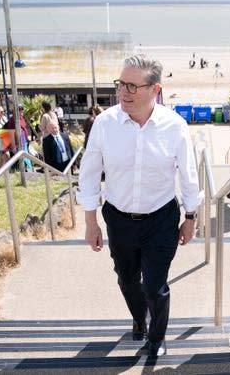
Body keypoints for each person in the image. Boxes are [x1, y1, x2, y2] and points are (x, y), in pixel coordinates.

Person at [78, 54, 201, 357]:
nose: (123, 92)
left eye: (133, 86)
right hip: (118, 218)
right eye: (121, 84)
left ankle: (157, 338)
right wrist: (91, 222)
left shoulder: (174, 126)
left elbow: (188, 173)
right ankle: (138, 318)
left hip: (161, 219)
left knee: (155, 286)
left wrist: (190, 216)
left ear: (154, 90)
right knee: (126, 278)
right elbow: (90, 174)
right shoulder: (105, 124)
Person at [5, 104, 33, 172]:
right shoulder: (12, 120)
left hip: (24, 140)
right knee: (21, 157)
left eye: (22, 110)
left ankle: (28, 170)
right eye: (20, 110)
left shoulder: (22, 118)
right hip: (18, 142)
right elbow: (11, 134)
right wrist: (14, 146)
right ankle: (26, 170)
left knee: (25, 156)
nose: (22, 112)